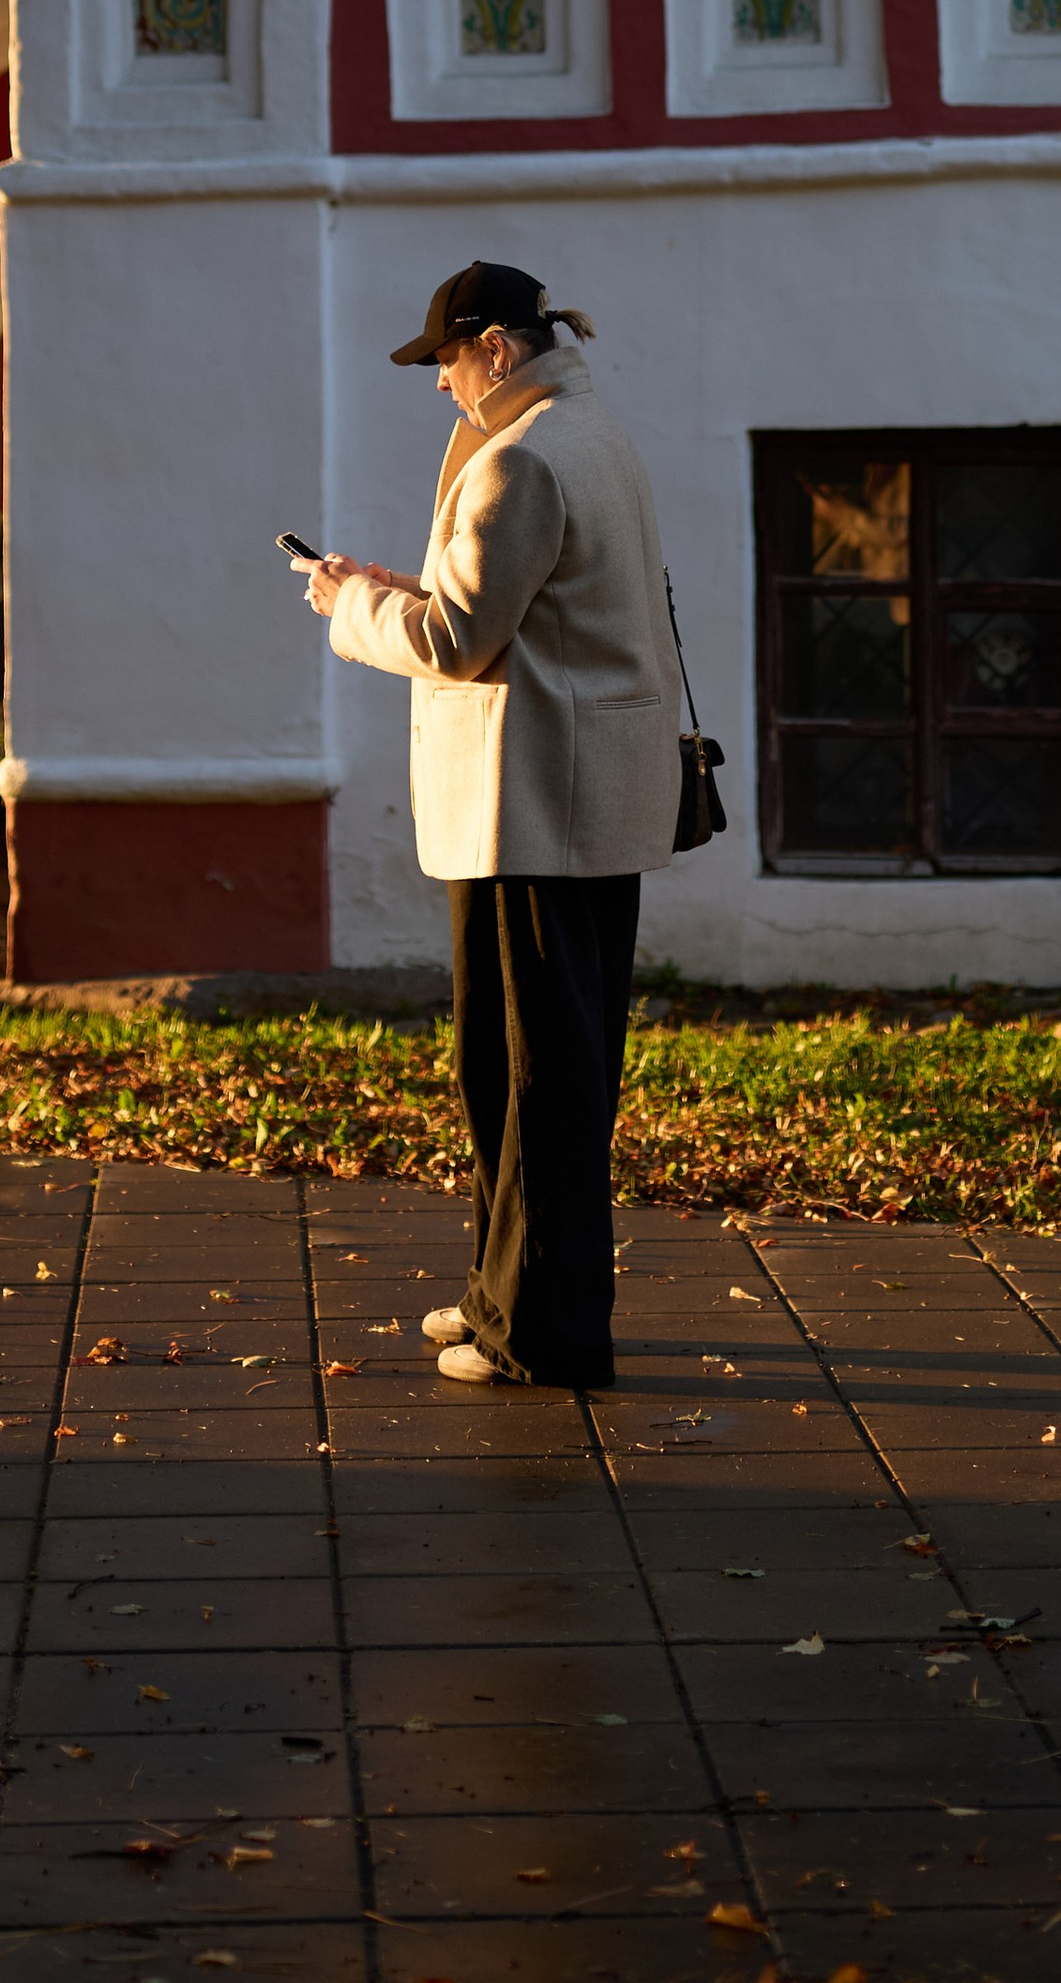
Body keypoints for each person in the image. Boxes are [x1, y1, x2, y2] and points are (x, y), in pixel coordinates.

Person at [292, 262, 683, 1390]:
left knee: (532, 1079)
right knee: (532, 1071)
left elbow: (455, 642)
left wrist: (351, 604)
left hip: (531, 809)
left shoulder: (519, 458)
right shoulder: (588, 432)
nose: (439, 383)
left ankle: (540, 1335)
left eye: (447, 359)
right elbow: (530, 613)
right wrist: (401, 590)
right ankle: (502, 1295)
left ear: (498, 349)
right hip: (576, 800)